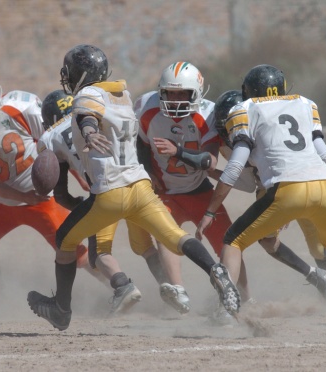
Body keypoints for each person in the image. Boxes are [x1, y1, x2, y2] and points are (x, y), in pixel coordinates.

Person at [27, 44, 239, 331]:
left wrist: (88, 131)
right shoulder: (122, 95)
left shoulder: (85, 98)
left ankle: (61, 310)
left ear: (79, 74)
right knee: (176, 236)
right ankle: (216, 272)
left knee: (65, 240)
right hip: (140, 185)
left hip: (109, 192)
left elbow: (85, 116)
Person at [196, 64, 326, 325]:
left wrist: (209, 211)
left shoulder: (244, 109)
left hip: (287, 189)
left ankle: (227, 313)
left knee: (233, 241)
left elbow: (235, 167)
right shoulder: (305, 103)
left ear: (248, 91)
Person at [0, 71, 99, 295]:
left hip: (42, 198)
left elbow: (59, 144)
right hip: (4, 201)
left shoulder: (22, 107)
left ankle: (117, 286)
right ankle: (0, 297)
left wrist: (78, 175)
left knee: (76, 253)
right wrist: (22, 197)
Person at [38, 89, 179, 315]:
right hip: (135, 184)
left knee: (100, 253)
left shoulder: (53, 135)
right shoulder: (96, 115)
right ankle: (174, 291)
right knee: (144, 247)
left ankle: (122, 285)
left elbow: (60, 193)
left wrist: (79, 207)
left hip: (105, 192)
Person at [134, 62, 252, 323]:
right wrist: (148, 171)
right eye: (170, 93)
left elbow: (209, 161)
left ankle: (243, 296)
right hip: (164, 192)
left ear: (196, 93)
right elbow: (141, 145)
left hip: (200, 190)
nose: (175, 100)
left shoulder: (207, 113)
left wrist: (177, 152)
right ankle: (179, 291)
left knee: (229, 242)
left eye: (182, 94)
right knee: (166, 236)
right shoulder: (147, 107)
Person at [212, 89, 326, 301]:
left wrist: (281, 204)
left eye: (231, 123)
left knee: (318, 246)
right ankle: (316, 277)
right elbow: (246, 182)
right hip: (270, 187)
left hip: (293, 181)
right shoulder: (232, 143)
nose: (229, 130)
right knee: (267, 240)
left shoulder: (265, 128)